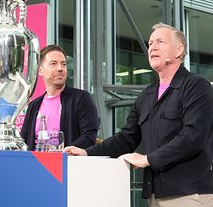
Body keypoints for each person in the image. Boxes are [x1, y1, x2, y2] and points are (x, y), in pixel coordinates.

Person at [64, 23, 213, 207]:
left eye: (160, 42)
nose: (153, 47)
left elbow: (193, 136)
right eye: (150, 43)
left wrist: (147, 159)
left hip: (189, 193)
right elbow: (126, 138)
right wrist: (87, 152)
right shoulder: (147, 95)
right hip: (155, 195)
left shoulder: (197, 86)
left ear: (178, 50)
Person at [20, 44, 99, 151]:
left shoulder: (81, 99)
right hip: (36, 164)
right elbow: (23, 141)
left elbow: (89, 136)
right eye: (53, 64)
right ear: (40, 70)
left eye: (63, 64)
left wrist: (64, 153)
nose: (60, 68)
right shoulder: (34, 105)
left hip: (68, 164)